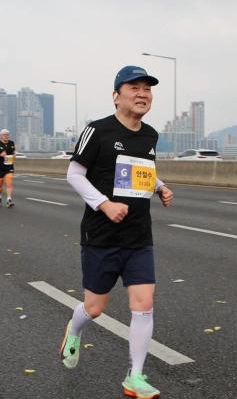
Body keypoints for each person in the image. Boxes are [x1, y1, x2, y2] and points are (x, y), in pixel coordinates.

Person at [60, 65, 173, 399]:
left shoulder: (150, 134)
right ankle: (74, 328)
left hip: (138, 234)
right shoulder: (98, 130)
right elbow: (74, 174)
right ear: (116, 95)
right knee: (94, 308)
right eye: (134, 88)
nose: (143, 94)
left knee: (144, 303)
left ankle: (134, 377)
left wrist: (161, 187)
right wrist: (104, 204)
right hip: (102, 235)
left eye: (147, 89)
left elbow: (141, 173)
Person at [0, 129, 16, 207]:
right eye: (5, 135)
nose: (6, 136)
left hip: (9, 166)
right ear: (1, 136)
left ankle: (9, 200)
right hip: (0, 167)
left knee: (9, 181)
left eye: (7, 134)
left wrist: (14, 155)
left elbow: (14, 152)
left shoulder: (12, 143)